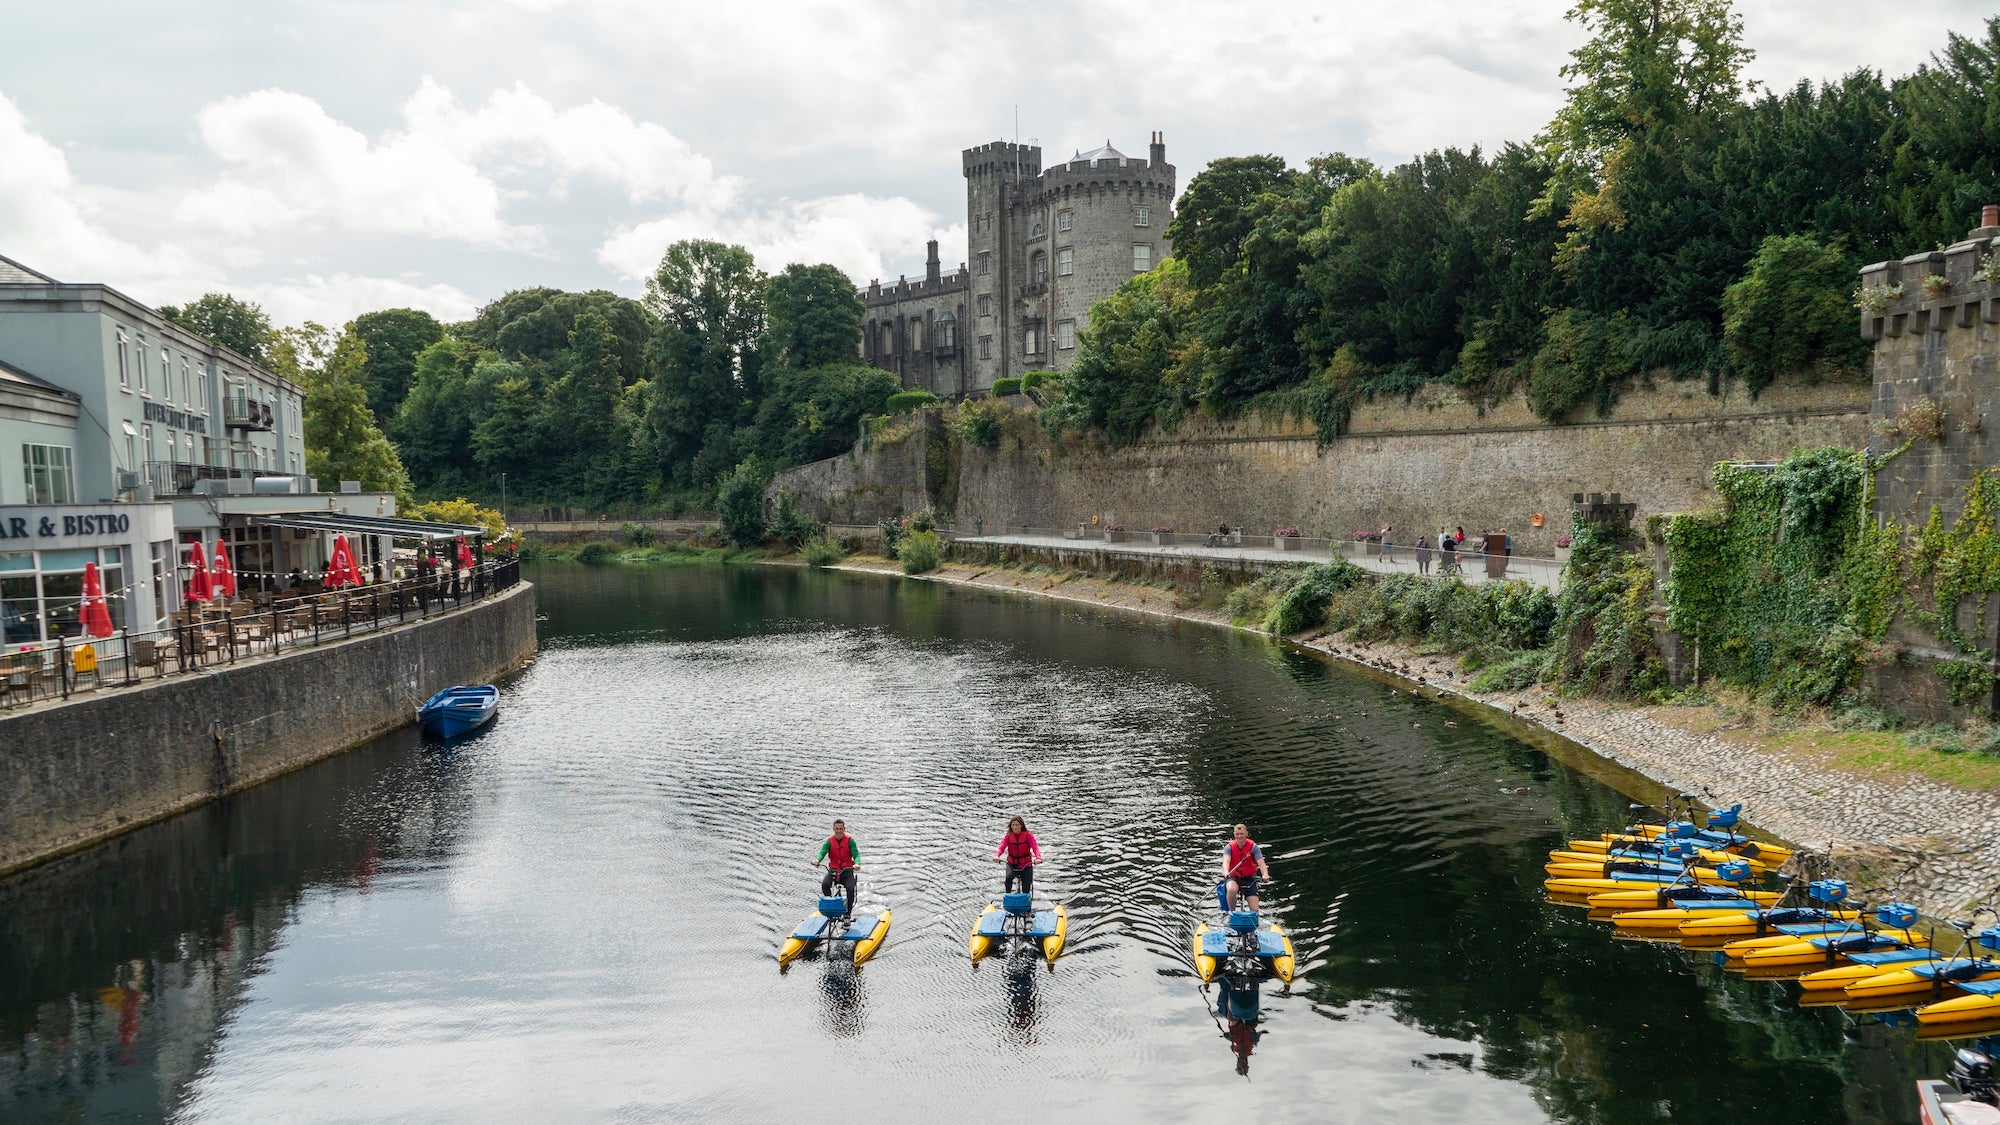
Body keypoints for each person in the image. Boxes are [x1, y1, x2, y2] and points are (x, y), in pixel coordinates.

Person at [813, 818, 859, 918]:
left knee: (850, 889)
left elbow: (856, 854)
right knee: (825, 884)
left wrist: (857, 864)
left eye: (840, 829)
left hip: (846, 871)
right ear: (833, 829)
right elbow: (822, 852)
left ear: (844, 829)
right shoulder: (829, 841)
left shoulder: (850, 841)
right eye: (836, 829)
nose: (838, 831)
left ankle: (847, 914)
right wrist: (817, 860)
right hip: (833, 871)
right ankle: (831, 907)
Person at [1223, 823, 1270, 911]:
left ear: (1246, 834)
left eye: (1242, 834)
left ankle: (1252, 919)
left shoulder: (1253, 847)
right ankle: (1232, 913)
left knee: (1255, 910)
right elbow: (1226, 861)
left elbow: (1261, 863)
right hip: (1234, 877)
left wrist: (1265, 874)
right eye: (1237, 834)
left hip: (1249, 879)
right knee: (1231, 889)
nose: (1240, 836)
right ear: (1234, 834)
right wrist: (1226, 872)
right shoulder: (1228, 848)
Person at [994, 816, 1042, 895]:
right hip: (1012, 864)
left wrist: (1038, 858)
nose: (1015, 827)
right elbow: (1001, 847)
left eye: (1017, 825)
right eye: (1013, 825)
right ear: (1011, 826)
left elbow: (1035, 847)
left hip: (1026, 864)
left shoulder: (1028, 836)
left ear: (1021, 825)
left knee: (1026, 886)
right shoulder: (1008, 836)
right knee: (1008, 879)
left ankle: (1026, 900)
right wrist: (997, 855)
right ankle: (1008, 896)